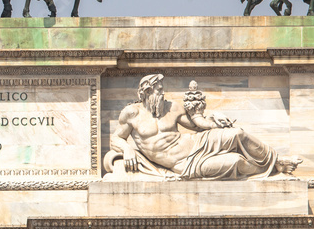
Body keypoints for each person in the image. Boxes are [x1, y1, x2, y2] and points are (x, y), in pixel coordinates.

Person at [108, 74, 300, 179]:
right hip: (184, 164)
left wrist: (215, 121)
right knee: (235, 162)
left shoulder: (171, 107)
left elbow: (197, 126)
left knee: (237, 134)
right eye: (159, 90)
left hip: (198, 142)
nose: (163, 93)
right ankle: (272, 173)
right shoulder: (131, 113)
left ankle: (276, 161)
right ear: (147, 91)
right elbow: (116, 138)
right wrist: (127, 149)